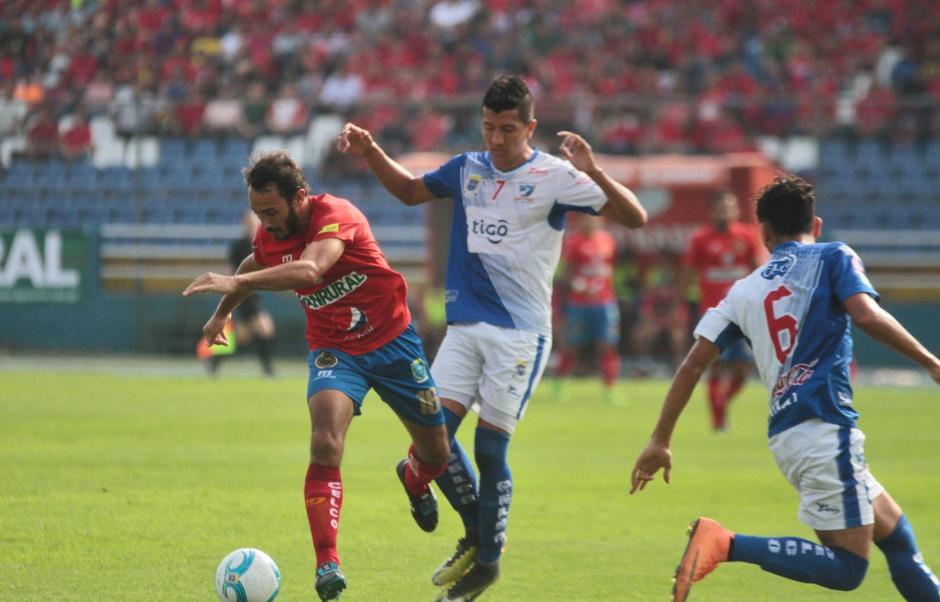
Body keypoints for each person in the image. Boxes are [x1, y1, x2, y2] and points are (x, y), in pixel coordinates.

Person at [338, 75, 647, 601]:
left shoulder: (555, 176)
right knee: (431, 438)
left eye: (508, 129)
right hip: (465, 328)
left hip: (521, 334)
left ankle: (487, 562)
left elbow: (635, 218)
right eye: (488, 127)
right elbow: (411, 192)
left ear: (530, 126)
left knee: (487, 448)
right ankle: (465, 524)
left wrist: (594, 170)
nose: (497, 139)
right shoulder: (467, 168)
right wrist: (371, 151)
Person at [630, 175, 940, 602]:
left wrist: (660, 440)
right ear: (816, 224)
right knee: (848, 569)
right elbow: (866, 315)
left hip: (790, 433)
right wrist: (931, 362)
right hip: (825, 428)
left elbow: (692, 365)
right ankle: (726, 543)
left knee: (898, 538)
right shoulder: (833, 256)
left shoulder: (742, 291)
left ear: (763, 232)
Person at [182, 151, 451, 602]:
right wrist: (221, 315)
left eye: (271, 211)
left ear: (300, 198)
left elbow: (310, 270)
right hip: (335, 350)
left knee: (437, 454)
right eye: (257, 213)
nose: (264, 223)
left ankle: (415, 477)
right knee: (325, 440)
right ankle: (327, 561)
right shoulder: (270, 236)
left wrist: (233, 285)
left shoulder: (336, 214)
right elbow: (250, 266)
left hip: (392, 341)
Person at [677, 190, 764, 430]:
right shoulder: (701, 239)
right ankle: (718, 420)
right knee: (716, 366)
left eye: (729, 207)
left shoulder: (747, 236)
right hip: (714, 313)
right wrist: (678, 307)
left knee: (742, 370)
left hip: (744, 312)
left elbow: (760, 271)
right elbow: (688, 274)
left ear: (737, 210)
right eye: (720, 207)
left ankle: (722, 403)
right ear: (712, 211)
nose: (725, 211)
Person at [553, 212, 621, 402]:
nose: (590, 223)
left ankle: (610, 390)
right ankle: (559, 384)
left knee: (607, 345)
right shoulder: (574, 242)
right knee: (572, 345)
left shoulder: (608, 240)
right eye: (587, 219)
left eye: (594, 219)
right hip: (579, 303)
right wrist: (577, 284)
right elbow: (566, 273)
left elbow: (608, 270)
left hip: (605, 302)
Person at [204, 210, 277, 377]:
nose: (253, 225)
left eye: (255, 222)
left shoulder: (263, 242)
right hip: (243, 293)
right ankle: (268, 370)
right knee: (265, 328)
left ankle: (214, 361)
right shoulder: (239, 245)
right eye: (250, 222)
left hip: (255, 292)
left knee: (242, 336)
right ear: (245, 224)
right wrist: (229, 287)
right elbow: (230, 269)